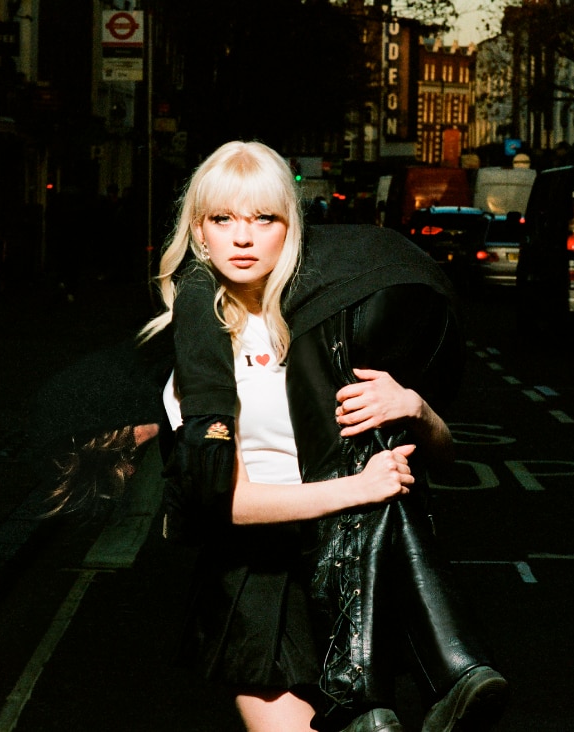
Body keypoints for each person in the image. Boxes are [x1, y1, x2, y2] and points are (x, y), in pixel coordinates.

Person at [141, 141, 507, 732]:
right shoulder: (201, 346)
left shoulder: (329, 318)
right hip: (257, 584)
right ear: (198, 232)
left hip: (349, 568)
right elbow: (227, 502)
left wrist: (415, 408)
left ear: (292, 229)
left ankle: (454, 675)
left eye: (264, 218)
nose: (242, 237)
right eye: (222, 219)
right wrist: (358, 489)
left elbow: (441, 457)